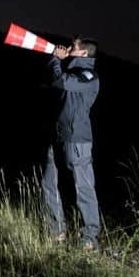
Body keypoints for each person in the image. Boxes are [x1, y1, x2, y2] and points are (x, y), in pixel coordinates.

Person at [42, 36, 101, 250]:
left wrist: (55, 60)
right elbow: (56, 84)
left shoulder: (89, 76)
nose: (68, 48)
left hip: (78, 142)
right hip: (58, 138)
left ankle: (90, 238)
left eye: (73, 47)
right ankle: (56, 231)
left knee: (83, 188)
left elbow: (63, 82)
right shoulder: (73, 72)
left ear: (84, 53)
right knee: (48, 184)